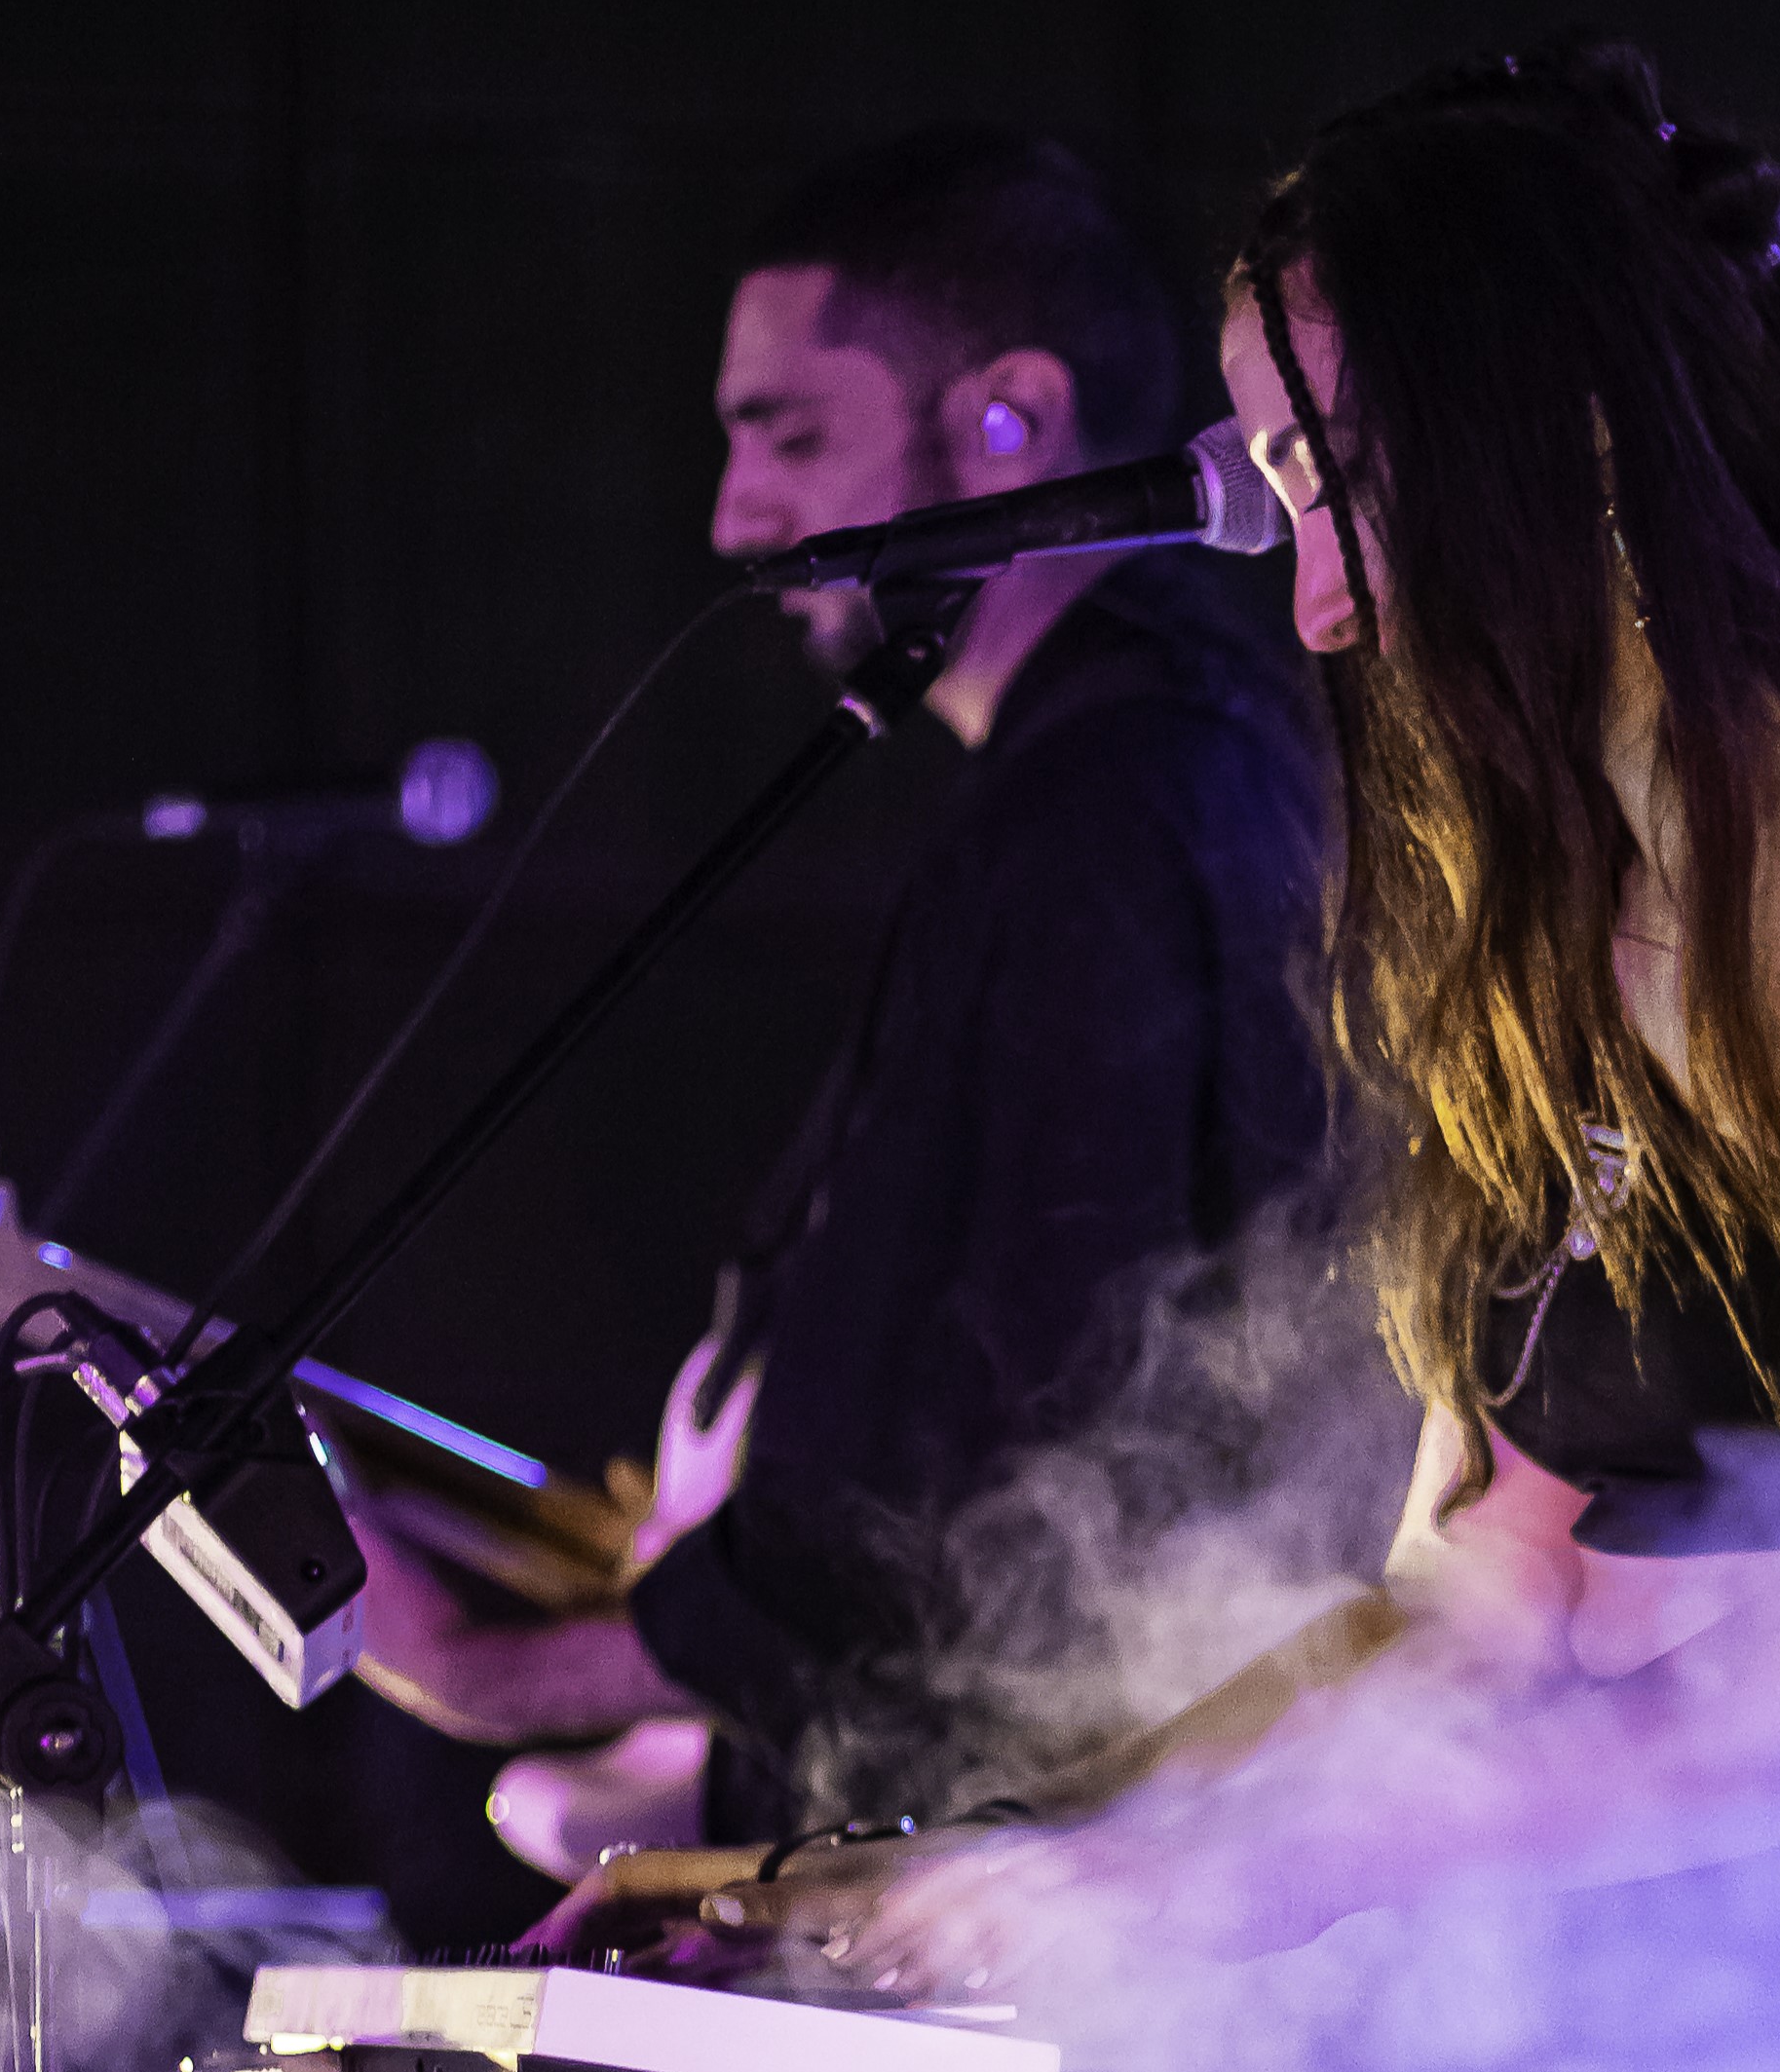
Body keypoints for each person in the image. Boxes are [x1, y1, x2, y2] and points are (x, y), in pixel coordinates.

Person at [727, 34, 1780, 1992]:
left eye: (1335, 490)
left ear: (1564, 436)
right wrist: (1041, 1868)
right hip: (1683, 1983)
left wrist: (1306, 1857)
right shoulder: (1567, 917)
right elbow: (1472, 1605)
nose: (1317, 605)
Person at [346, 124, 1351, 1855]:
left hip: (1012, 1871)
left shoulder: (1121, 808)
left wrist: (509, 1673)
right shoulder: (1096, 789)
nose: (739, 517)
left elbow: (1026, 1430)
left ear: (1009, 418)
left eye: (791, 435)